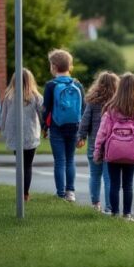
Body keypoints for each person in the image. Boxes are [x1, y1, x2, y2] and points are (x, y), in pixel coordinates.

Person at [94, 73, 134, 219]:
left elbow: (102, 132)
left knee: (114, 184)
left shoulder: (111, 108)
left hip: (113, 151)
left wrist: (98, 151)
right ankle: (127, 214)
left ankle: (114, 212)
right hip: (131, 151)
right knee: (128, 185)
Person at [42, 49, 84, 202]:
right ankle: (70, 192)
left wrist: (44, 127)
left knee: (60, 161)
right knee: (70, 159)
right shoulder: (78, 85)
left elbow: (46, 109)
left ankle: (60, 193)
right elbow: (83, 108)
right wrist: (83, 133)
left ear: (53, 66)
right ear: (70, 66)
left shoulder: (51, 85)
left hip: (57, 127)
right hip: (74, 127)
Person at [0, 68, 43, 201]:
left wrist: (3, 130)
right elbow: (42, 114)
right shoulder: (36, 97)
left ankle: (20, 192)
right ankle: (25, 193)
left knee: (20, 165)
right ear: (31, 81)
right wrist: (46, 128)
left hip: (14, 136)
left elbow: (3, 116)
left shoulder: (9, 97)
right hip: (31, 135)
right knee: (28, 166)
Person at [78, 71, 118, 211]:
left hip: (94, 143)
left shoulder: (93, 101)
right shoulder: (117, 103)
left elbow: (85, 120)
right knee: (109, 178)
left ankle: (95, 204)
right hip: (113, 144)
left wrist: (81, 136)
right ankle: (109, 207)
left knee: (95, 175)